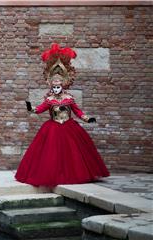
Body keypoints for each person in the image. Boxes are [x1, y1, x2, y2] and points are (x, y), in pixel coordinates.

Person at [15, 43, 110, 187]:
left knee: (73, 154)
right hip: (52, 128)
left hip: (69, 127)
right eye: (54, 84)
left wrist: (87, 118)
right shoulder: (49, 100)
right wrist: (30, 108)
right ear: (51, 84)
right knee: (51, 154)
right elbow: (39, 109)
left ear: (64, 83)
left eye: (59, 84)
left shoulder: (69, 98)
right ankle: (53, 176)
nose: (57, 86)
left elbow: (77, 111)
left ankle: (74, 175)